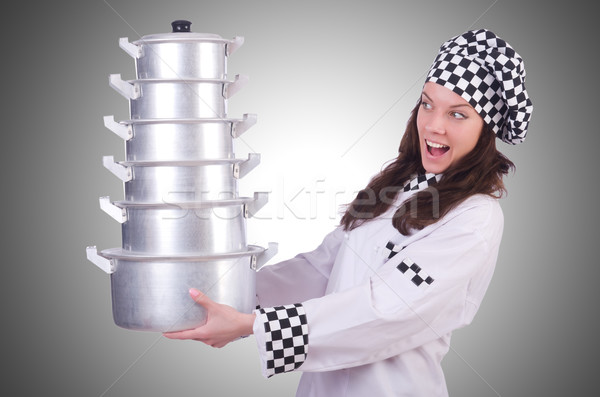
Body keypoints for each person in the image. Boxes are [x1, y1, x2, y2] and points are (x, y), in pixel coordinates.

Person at [164, 28, 533, 396]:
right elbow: (322, 268)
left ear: (487, 130)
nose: (434, 125)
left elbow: (388, 310)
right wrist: (228, 295)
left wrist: (251, 325)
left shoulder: (475, 218)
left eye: (458, 114)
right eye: (427, 104)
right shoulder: (395, 185)